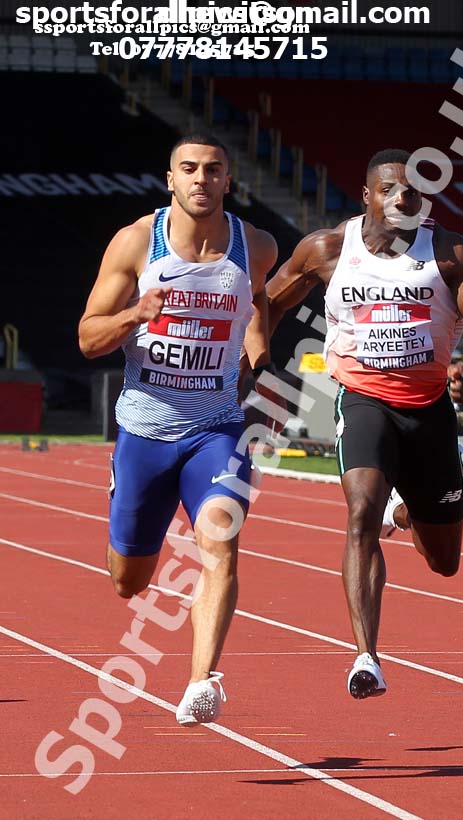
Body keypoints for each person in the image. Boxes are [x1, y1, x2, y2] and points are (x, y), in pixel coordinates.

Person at [266, 148, 463, 701]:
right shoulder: (329, 248)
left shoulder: (447, 252)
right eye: (392, 190)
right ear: (367, 196)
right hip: (363, 401)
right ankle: (366, 657)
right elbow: (270, 300)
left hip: (429, 411)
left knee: (444, 563)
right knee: (359, 515)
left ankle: (408, 512)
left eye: (415, 191)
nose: (405, 198)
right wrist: (254, 360)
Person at [78, 133, 278, 724]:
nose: (201, 179)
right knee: (128, 582)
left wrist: (260, 360)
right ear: (171, 179)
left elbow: (258, 301)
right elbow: (88, 338)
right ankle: (123, 496)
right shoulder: (138, 242)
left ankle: (201, 681)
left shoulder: (256, 246)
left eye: (213, 170)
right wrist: (137, 314)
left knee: (219, 540)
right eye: (189, 169)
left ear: (228, 180)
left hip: (216, 428)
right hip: (143, 430)